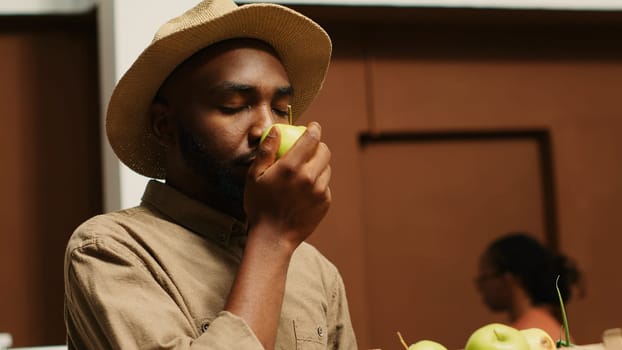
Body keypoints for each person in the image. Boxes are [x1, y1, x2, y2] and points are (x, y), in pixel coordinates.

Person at [63, 0, 358, 349]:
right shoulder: (109, 250)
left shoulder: (317, 272)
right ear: (164, 125)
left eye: (281, 110)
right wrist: (272, 240)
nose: (267, 129)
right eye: (233, 106)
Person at [475, 232, 584, 341]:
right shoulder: (542, 324)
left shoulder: (528, 334)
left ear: (508, 278)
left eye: (484, 278)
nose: (479, 288)